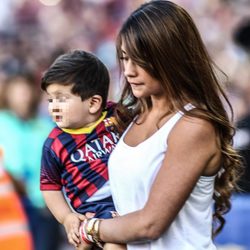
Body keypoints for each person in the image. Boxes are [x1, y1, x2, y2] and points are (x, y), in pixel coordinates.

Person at [79, 1, 242, 249]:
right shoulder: (131, 118)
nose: (129, 71)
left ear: (170, 58)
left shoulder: (193, 125)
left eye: (140, 60)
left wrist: (91, 229)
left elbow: (150, 224)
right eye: (124, 58)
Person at [40, 50, 125, 250]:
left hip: (128, 202)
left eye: (61, 99)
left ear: (94, 103)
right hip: (92, 213)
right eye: (50, 100)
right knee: (107, 244)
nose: (54, 107)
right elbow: (50, 186)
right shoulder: (55, 143)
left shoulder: (117, 116)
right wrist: (67, 217)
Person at [0, 72, 59, 250]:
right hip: (10, 205)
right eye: (17, 90)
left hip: (42, 206)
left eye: (26, 90)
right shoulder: (2, 122)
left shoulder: (44, 127)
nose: (23, 96)